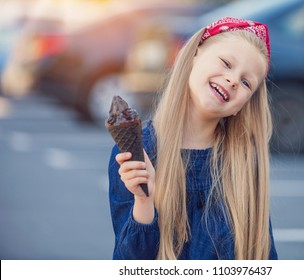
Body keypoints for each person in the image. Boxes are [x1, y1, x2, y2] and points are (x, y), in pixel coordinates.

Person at [108, 17, 278, 260]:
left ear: (241, 107)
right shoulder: (136, 153)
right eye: (226, 63)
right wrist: (144, 200)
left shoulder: (243, 164)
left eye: (245, 82)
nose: (232, 80)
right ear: (195, 55)